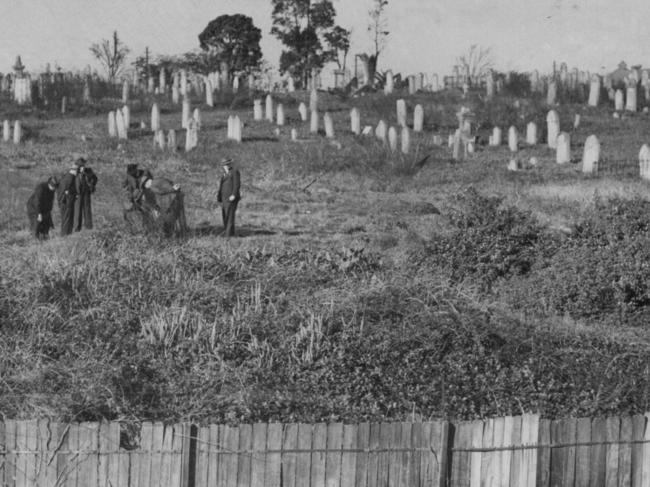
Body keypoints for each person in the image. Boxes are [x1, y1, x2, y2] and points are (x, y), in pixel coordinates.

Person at [217, 158, 241, 237]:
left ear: (230, 164)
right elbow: (221, 186)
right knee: (225, 215)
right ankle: (230, 232)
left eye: (227, 164)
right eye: (224, 165)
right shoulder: (224, 174)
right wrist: (219, 198)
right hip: (224, 198)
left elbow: (237, 184)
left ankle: (228, 235)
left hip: (231, 197)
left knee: (230, 216)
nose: (226, 166)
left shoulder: (234, 172)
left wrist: (234, 195)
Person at [73, 157, 98, 231]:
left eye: (84, 165)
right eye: (81, 165)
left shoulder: (88, 171)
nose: (83, 166)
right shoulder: (75, 172)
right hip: (78, 193)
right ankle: (77, 228)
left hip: (86, 192)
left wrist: (87, 175)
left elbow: (95, 179)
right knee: (78, 211)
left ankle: (89, 226)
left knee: (87, 210)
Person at [57, 163, 78, 236]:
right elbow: (64, 192)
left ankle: (66, 235)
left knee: (67, 220)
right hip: (66, 203)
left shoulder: (67, 177)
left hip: (65, 202)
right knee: (67, 220)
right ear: (74, 170)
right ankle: (65, 236)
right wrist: (73, 196)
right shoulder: (69, 178)